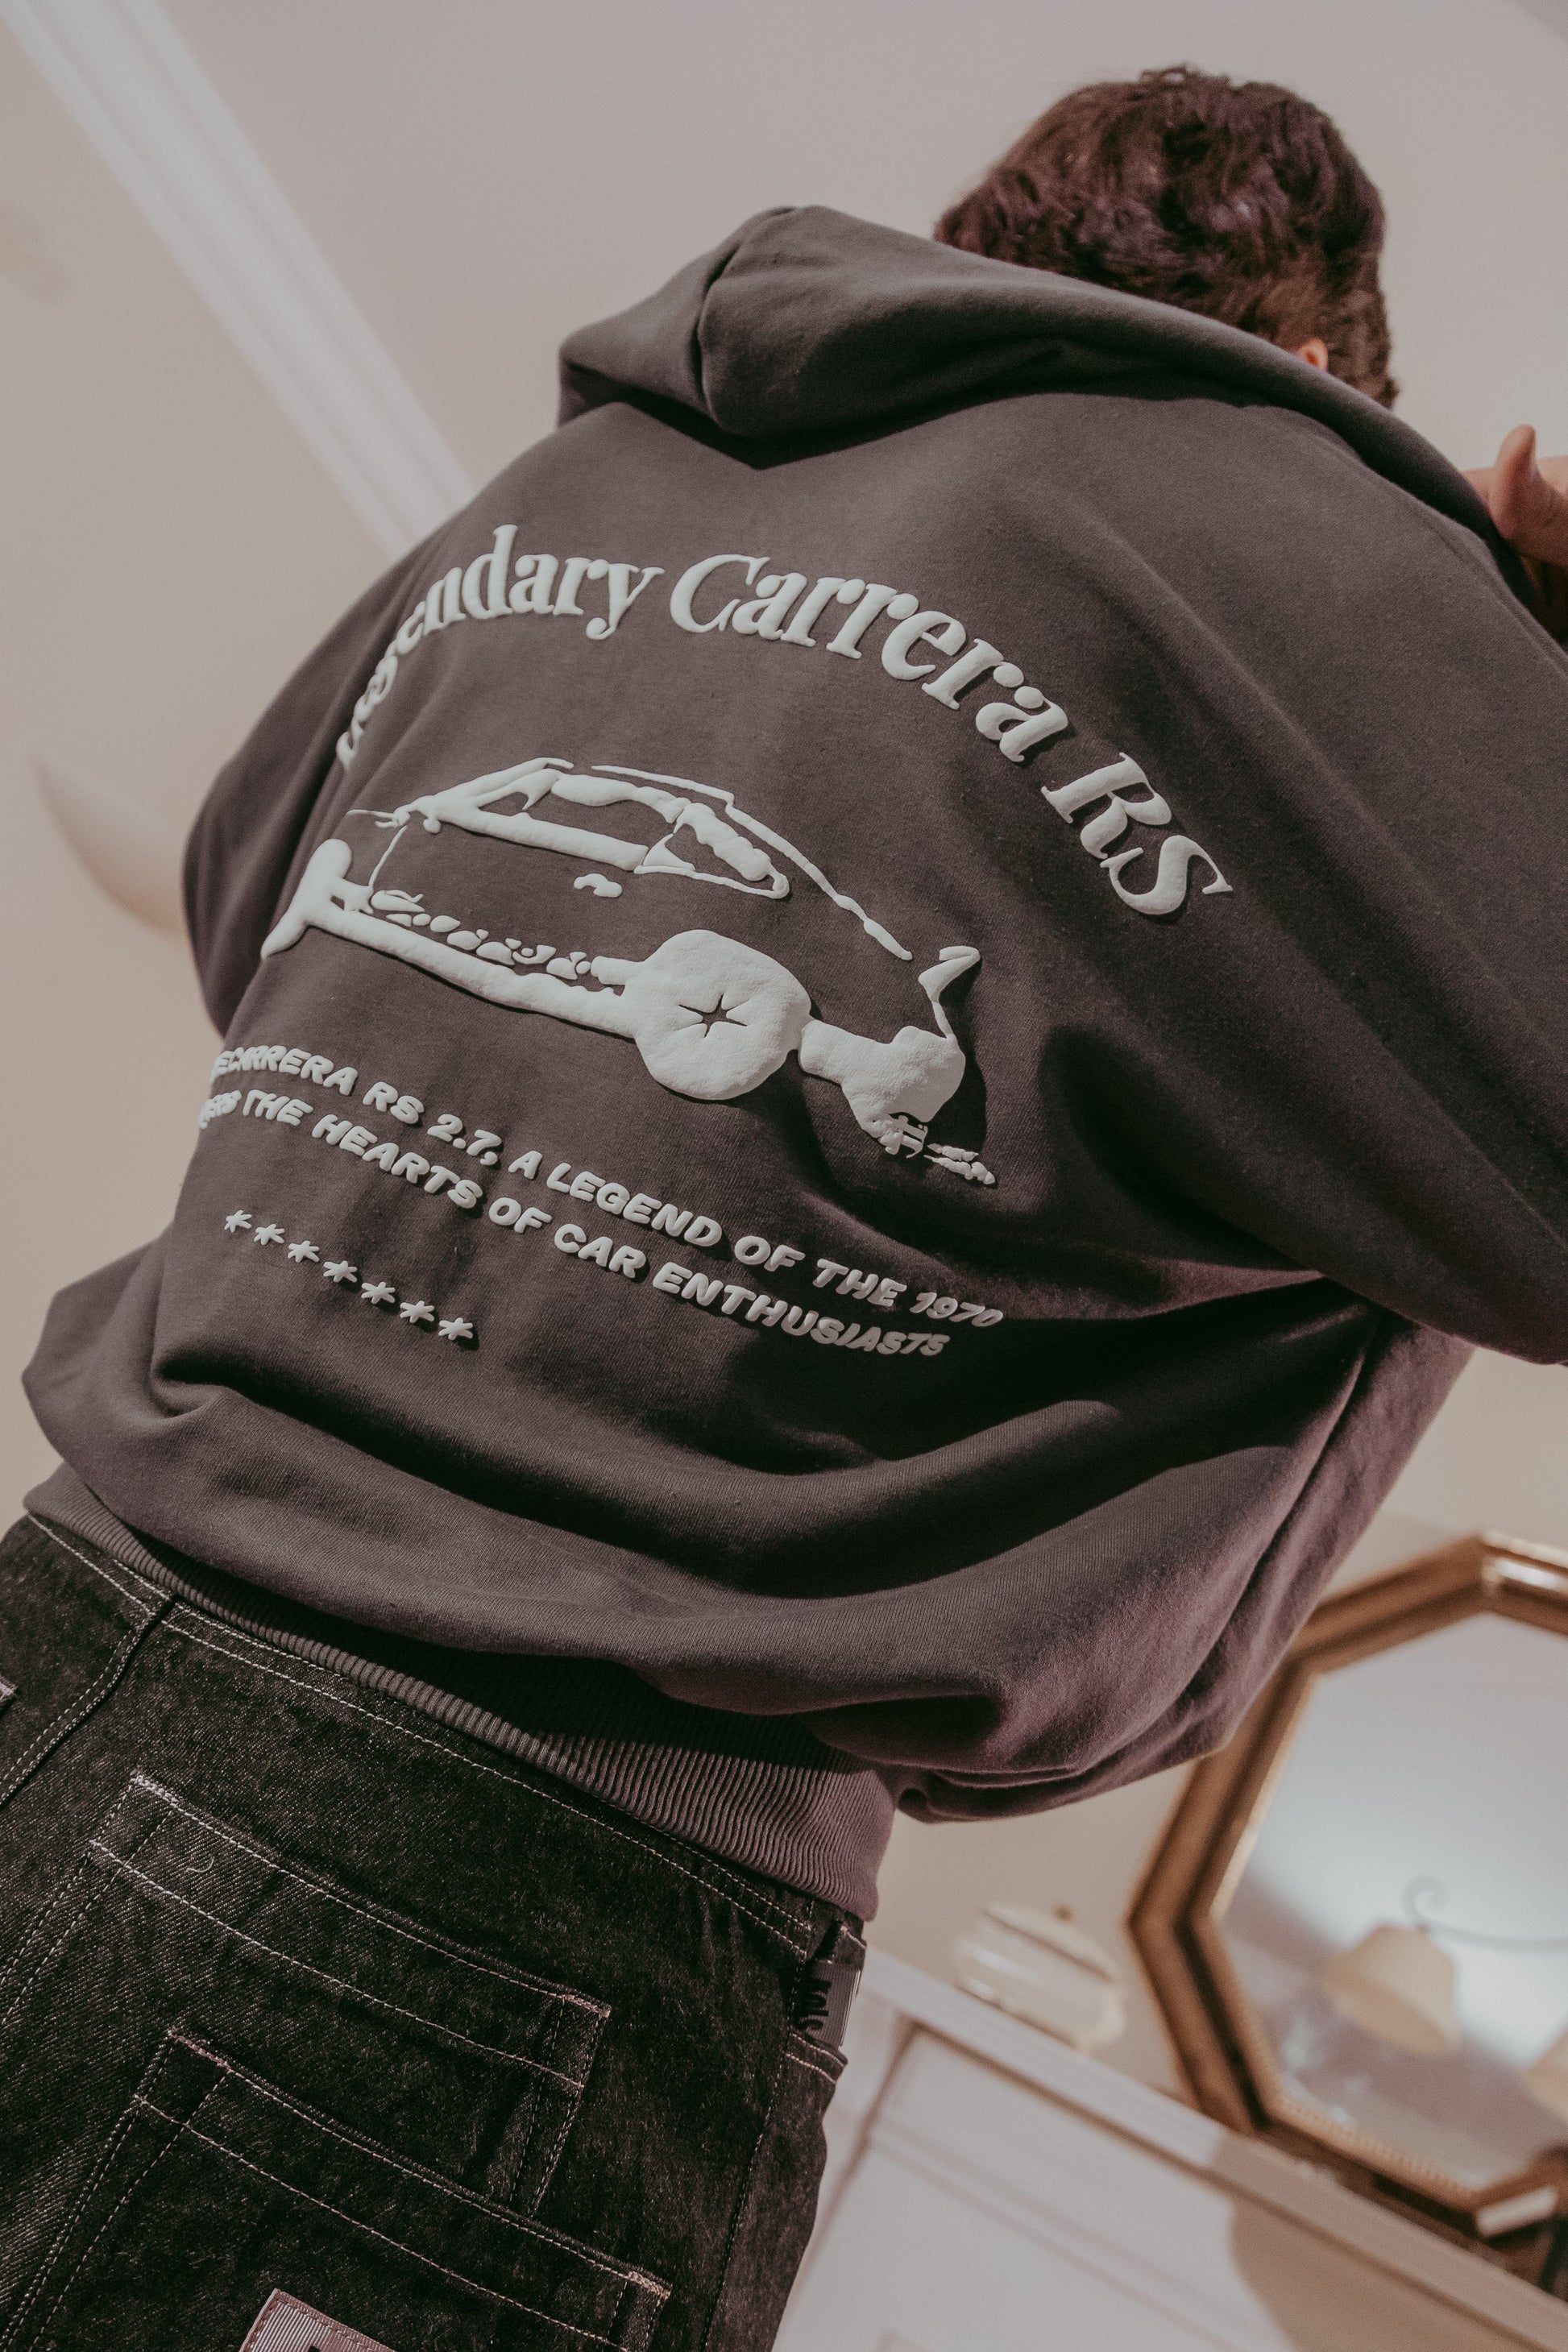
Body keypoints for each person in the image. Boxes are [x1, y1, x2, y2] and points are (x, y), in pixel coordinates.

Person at [4, 60, 1567, 2352]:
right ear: (1327, 368)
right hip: (503, 1889)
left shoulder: (579, 484)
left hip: (59, 1626)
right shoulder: (1303, 548)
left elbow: (264, 907)